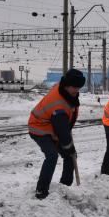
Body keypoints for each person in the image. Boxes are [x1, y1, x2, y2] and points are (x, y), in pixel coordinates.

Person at [28, 68, 84, 199]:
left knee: (71, 156)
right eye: (74, 87)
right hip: (38, 127)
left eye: (79, 87)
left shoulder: (65, 91)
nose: (77, 90)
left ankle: (65, 187)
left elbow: (63, 125)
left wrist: (69, 147)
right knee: (52, 155)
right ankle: (41, 190)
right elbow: (62, 130)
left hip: (52, 127)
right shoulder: (58, 103)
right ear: (67, 85)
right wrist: (69, 145)